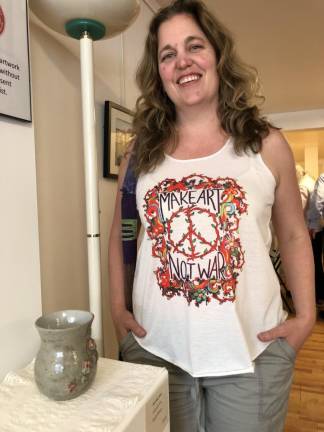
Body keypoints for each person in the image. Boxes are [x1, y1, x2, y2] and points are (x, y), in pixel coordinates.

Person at [108, 1, 315, 431]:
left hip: (250, 350)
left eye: (194, 46)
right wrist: (117, 309)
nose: (182, 61)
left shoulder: (266, 144)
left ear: (217, 54)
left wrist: (306, 316)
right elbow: (121, 233)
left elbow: (294, 235)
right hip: (156, 349)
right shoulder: (140, 153)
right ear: (159, 73)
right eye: (168, 54)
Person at [307, 173, 324, 308]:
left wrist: (314, 225)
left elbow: (318, 200)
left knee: (316, 261)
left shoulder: (323, 177)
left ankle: (319, 297)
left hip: (319, 227)